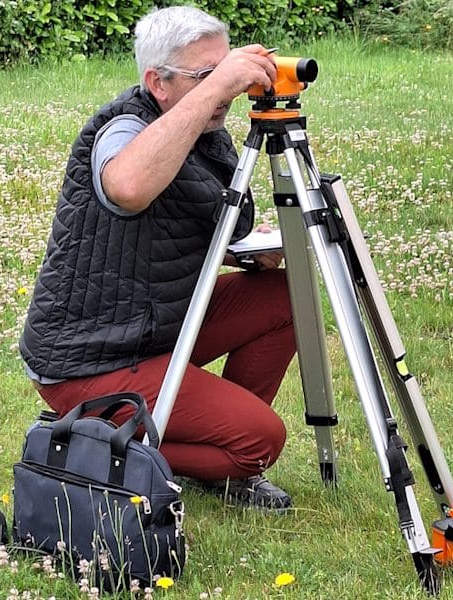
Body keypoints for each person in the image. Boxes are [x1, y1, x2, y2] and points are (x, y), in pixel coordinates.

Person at [19, 5, 296, 511]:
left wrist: (253, 250)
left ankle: (210, 429)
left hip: (154, 322)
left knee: (285, 297)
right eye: (205, 76)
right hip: (93, 352)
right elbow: (128, 188)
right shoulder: (121, 129)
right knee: (260, 443)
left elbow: (185, 224)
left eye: (225, 68)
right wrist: (215, 90)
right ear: (157, 82)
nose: (226, 89)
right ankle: (102, 441)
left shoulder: (198, 126)